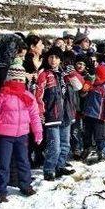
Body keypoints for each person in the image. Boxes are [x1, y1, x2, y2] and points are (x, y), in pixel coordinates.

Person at [0, 62, 43, 201]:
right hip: (4, 136)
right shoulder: (1, 95)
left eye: (20, 79)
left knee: (23, 161)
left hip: (22, 135)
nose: (17, 82)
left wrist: (38, 132)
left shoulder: (28, 95)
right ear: (8, 79)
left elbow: (34, 116)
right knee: (3, 164)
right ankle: (0, 190)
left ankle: (25, 185)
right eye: (14, 79)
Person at [35, 46, 74, 181]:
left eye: (57, 57)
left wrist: (73, 74)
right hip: (52, 115)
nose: (53, 60)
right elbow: (38, 96)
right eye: (51, 57)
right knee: (54, 146)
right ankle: (49, 169)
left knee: (65, 144)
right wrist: (41, 113)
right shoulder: (44, 75)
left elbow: (78, 87)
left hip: (66, 114)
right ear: (47, 58)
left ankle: (60, 166)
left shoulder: (65, 75)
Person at [82, 64, 105, 162]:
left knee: (99, 136)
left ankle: (101, 152)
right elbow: (83, 94)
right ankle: (86, 150)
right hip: (88, 114)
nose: (95, 76)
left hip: (99, 117)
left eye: (97, 74)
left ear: (101, 76)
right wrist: (86, 86)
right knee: (87, 134)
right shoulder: (91, 84)